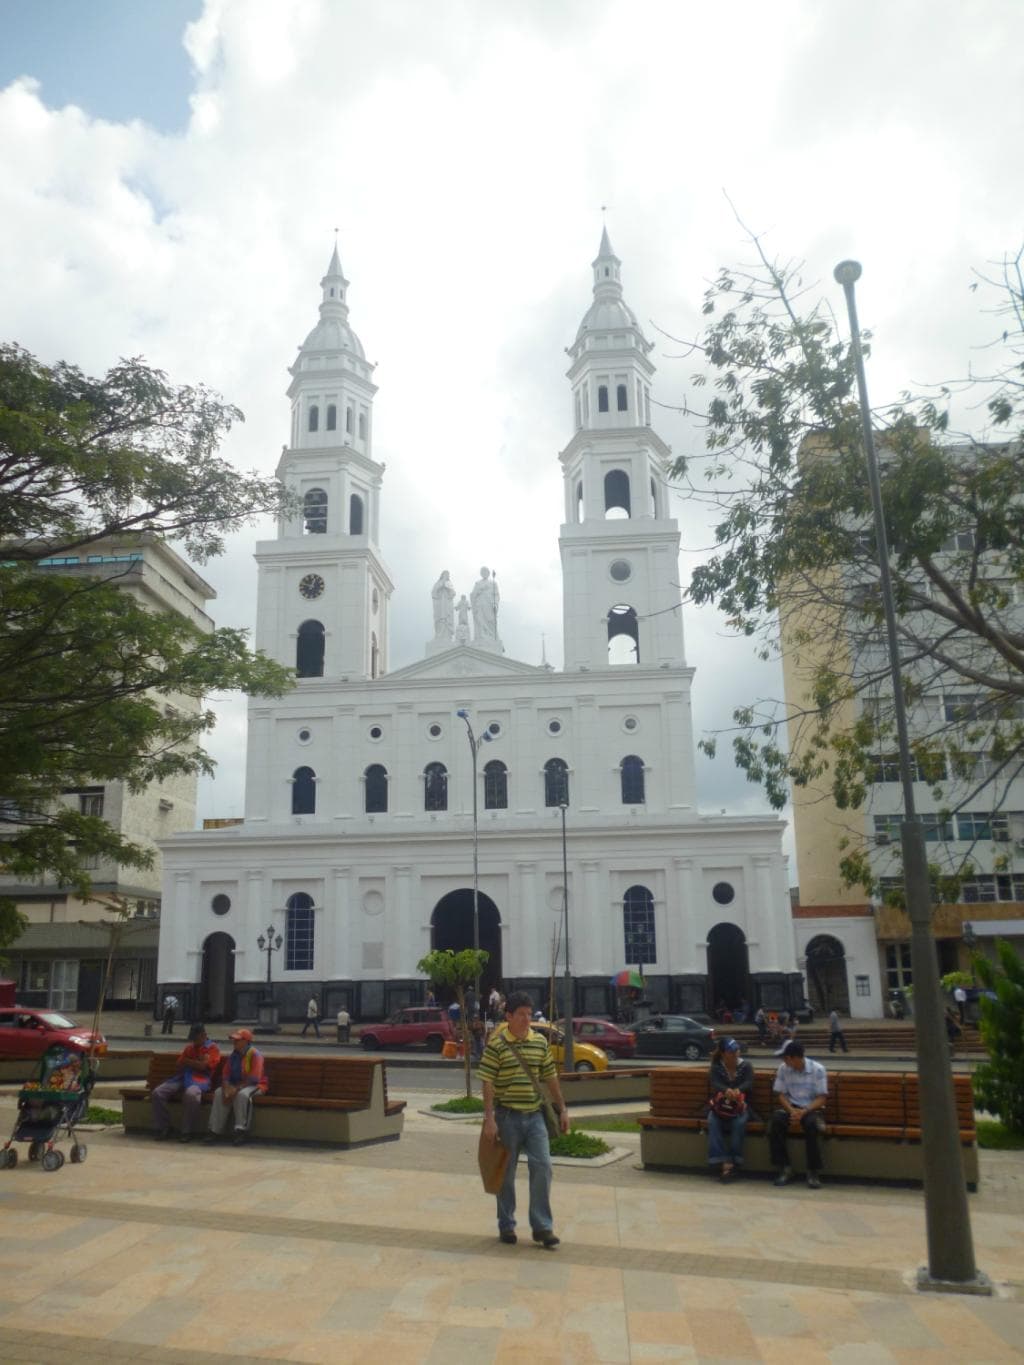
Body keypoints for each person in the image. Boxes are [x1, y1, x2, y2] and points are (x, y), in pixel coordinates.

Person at [479, 991, 570, 1249]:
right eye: (521, 1014)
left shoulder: (539, 1043)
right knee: (505, 1174)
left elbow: (550, 1077)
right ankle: (506, 1224)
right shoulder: (497, 1044)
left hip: (535, 1117)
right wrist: (489, 1119)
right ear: (508, 1016)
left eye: (529, 1014)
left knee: (543, 1167)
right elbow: (487, 1081)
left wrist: (562, 1108)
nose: (526, 1019)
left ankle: (542, 1226)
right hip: (507, 1117)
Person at [770, 1041, 828, 1188]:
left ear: (794, 1058)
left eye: (785, 1058)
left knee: (811, 1125)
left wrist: (805, 1111)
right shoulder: (783, 1069)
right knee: (776, 1122)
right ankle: (784, 1168)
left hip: (811, 1109)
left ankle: (813, 1171)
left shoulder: (818, 1070)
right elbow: (781, 1095)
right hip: (792, 1108)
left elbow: (821, 1098)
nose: (784, 1061)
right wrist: (792, 1111)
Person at [151, 1023, 221, 1142]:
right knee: (158, 1092)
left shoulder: (212, 1048)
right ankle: (164, 1127)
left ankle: (186, 1131)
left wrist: (189, 1061)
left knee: (191, 1095)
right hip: (182, 1077)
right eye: (192, 1039)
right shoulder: (190, 1048)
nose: (194, 1041)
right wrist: (194, 1062)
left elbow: (203, 1067)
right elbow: (179, 1065)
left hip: (200, 1080)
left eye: (196, 1038)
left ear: (204, 1035)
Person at [205, 1028, 268, 1146]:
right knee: (219, 1092)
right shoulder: (233, 1055)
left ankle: (241, 1130)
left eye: (237, 1040)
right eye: (234, 1040)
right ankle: (214, 1130)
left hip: (255, 1085)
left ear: (246, 1041)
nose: (234, 1042)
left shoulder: (255, 1054)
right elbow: (226, 1074)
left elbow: (254, 1078)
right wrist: (226, 1088)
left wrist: (236, 1089)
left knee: (242, 1095)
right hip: (235, 1084)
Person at [706, 1038, 754, 1182]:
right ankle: (722, 1161)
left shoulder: (746, 1066)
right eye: (731, 1051)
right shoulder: (716, 1067)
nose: (735, 1053)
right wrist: (726, 1090)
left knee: (739, 1123)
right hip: (720, 1107)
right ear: (723, 1053)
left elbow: (749, 1082)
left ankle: (733, 1161)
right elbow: (715, 1082)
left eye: (736, 1050)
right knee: (712, 1121)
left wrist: (737, 1091)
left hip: (740, 1106)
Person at [470, 566, 499, 641]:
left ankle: (492, 636)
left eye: (485, 572)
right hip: (480, 604)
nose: (484, 573)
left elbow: (496, 594)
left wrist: (495, 603)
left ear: (488, 573)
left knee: (490, 620)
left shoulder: (493, 583)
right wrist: (478, 592)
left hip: (489, 603)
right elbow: (473, 594)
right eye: (482, 572)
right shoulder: (478, 583)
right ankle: (482, 635)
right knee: (480, 619)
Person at [431, 570, 455, 641]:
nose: (447, 576)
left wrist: (448, 589)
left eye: (448, 575)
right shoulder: (438, 583)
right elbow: (433, 592)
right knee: (440, 618)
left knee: (446, 618)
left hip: (447, 603)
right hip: (440, 603)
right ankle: (439, 635)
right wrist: (441, 586)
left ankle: (447, 636)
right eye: (446, 574)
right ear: (442, 575)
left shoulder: (449, 583)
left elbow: (453, 593)